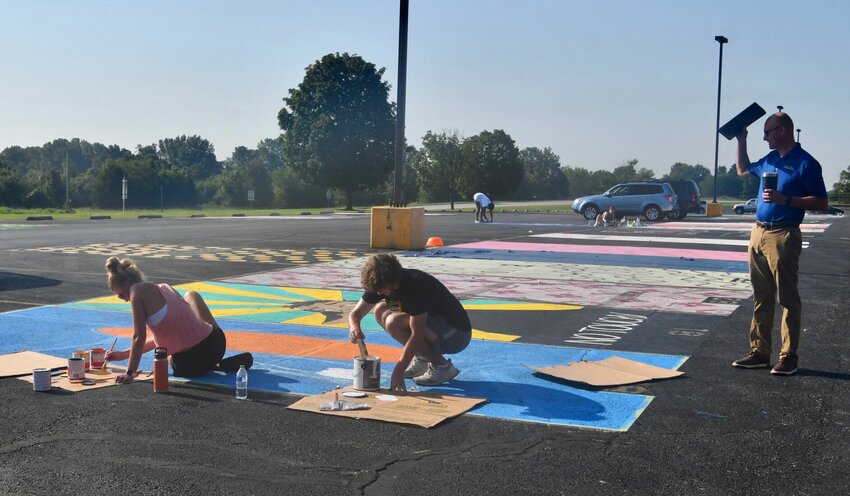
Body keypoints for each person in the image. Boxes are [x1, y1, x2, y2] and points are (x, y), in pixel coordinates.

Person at [731, 112, 828, 376]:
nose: (764, 137)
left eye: (768, 132)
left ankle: (788, 356)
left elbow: (821, 202)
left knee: (787, 298)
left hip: (783, 234)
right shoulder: (770, 159)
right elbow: (742, 170)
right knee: (761, 297)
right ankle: (760, 353)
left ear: (783, 130)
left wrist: (787, 200)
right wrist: (742, 139)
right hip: (758, 233)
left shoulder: (806, 163)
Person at [103, 257, 253, 383]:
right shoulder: (166, 288)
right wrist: (123, 354)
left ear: (127, 285)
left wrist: (130, 373)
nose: (124, 300)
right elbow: (164, 337)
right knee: (191, 295)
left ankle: (215, 366)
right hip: (216, 344)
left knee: (168, 357)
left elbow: (139, 336)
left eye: (122, 295)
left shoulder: (136, 291)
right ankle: (215, 364)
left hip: (188, 365)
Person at [348, 254, 472, 392]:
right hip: (436, 329)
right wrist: (355, 327)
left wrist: (398, 371)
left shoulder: (415, 286)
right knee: (380, 310)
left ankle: (442, 367)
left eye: (381, 289)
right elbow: (355, 314)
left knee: (393, 322)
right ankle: (422, 359)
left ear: (394, 283)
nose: (378, 293)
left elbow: (417, 334)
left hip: (456, 335)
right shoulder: (381, 283)